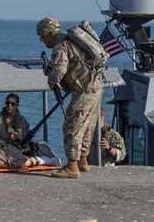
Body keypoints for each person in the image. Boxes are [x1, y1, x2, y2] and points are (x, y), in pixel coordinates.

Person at [36, 17, 105, 179]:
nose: (43, 41)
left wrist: (51, 79)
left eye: (43, 37)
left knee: (71, 127)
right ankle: (82, 160)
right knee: (86, 126)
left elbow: (59, 71)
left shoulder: (61, 46)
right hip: (95, 86)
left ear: (51, 33)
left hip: (84, 91)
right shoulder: (71, 41)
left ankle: (72, 166)